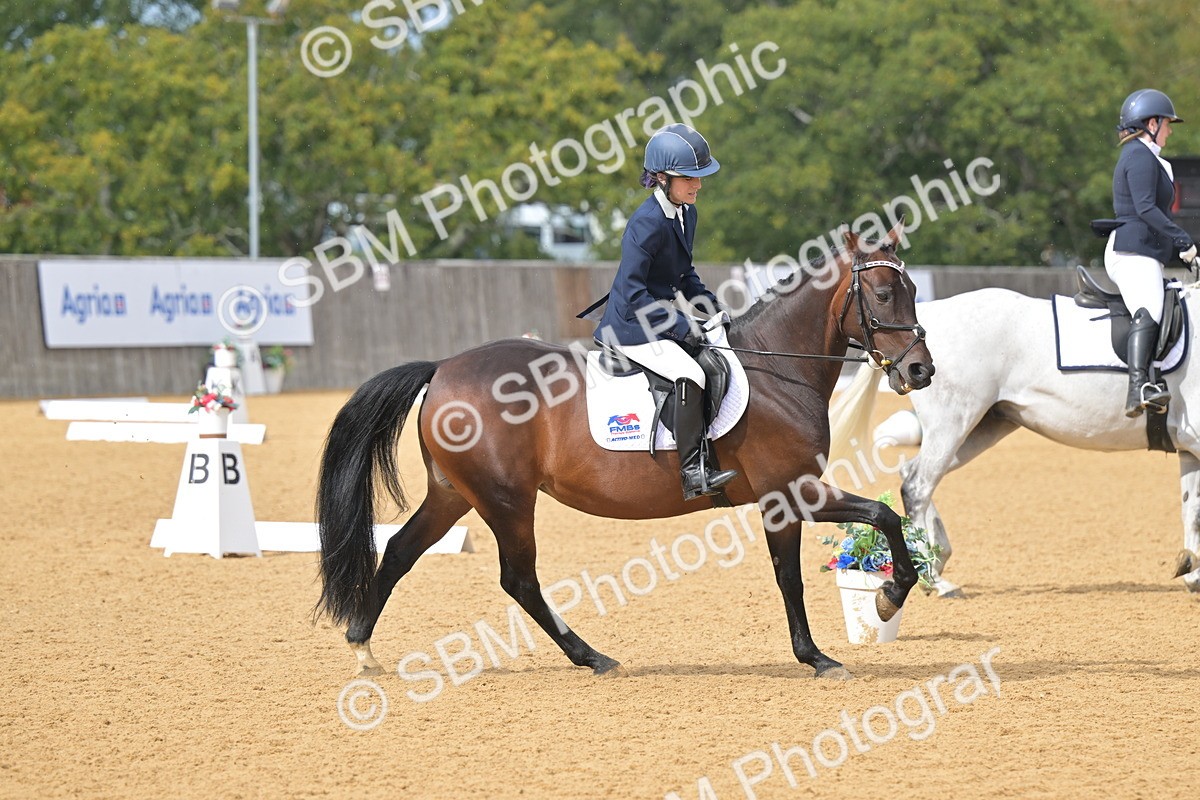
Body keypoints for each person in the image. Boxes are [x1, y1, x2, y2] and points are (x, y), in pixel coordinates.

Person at [589, 123, 738, 501]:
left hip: (655, 317)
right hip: (629, 325)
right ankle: (692, 472)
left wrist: (712, 309)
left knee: (718, 354)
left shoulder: (687, 213)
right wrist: (681, 325)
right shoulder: (646, 223)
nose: (698, 185)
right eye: (689, 178)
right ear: (661, 177)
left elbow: (685, 274)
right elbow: (636, 295)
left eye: (699, 177)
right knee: (690, 371)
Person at [1105, 89, 1199, 417]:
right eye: (1167, 124)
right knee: (1151, 307)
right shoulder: (1137, 155)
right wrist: (1184, 241)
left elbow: (1160, 216)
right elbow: (1145, 208)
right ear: (1152, 123)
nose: (1170, 130)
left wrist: (1184, 252)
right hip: (1132, 250)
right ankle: (1138, 387)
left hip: (1146, 250)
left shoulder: (1151, 158)